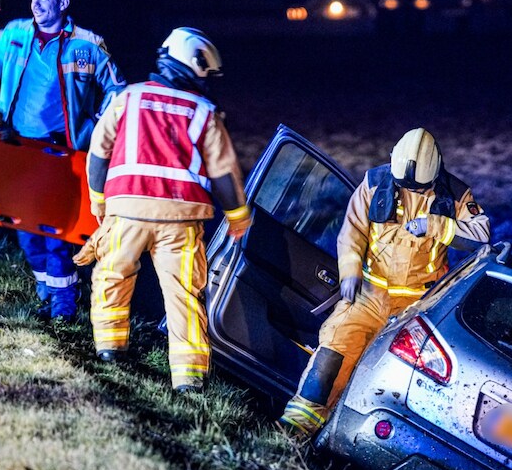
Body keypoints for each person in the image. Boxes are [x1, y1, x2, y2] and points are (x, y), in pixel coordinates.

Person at [280, 128, 491, 437]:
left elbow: (482, 235)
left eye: (419, 189)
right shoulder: (375, 183)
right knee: (337, 345)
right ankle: (296, 428)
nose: (412, 193)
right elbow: (352, 234)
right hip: (369, 295)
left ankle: (349, 438)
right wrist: (350, 272)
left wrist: (436, 225)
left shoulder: (456, 195)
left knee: (393, 377)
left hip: (417, 308)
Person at [74, 27, 251, 393]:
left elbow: (98, 152)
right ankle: (188, 377)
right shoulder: (204, 112)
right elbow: (223, 174)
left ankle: (110, 349)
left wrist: (98, 199)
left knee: (113, 276)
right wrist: (238, 217)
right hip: (181, 222)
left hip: (126, 212)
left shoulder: (127, 98)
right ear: (197, 66)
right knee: (183, 294)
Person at [0, 0, 124, 323]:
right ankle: (49, 292)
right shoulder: (14, 35)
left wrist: (95, 125)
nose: (36, 2)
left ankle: (63, 302)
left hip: (59, 152)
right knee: (25, 228)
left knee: (53, 229)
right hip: (14, 147)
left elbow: (117, 90)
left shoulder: (88, 44)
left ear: (63, 3)